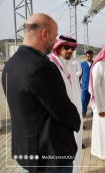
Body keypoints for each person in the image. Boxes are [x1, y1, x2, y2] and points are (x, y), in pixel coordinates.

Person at [1, 13, 81, 173]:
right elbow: (63, 110)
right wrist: (77, 121)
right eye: (55, 36)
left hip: (27, 154)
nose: (55, 41)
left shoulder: (10, 65)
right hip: (50, 156)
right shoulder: (42, 66)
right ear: (45, 34)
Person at [49, 35, 83, 173]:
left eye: (72, 48)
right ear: (58, 47)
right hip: (63, 119)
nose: (70, 50)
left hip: (76, 114)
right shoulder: (52, 65)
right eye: (66, 47)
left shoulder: (70, 65)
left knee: (77, 147)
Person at [81, 50, 94, 117]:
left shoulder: (95, 64)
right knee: (83, 101)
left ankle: (93, 115)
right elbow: (80, 74)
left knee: (93, 101)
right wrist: (78, 83)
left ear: (92, 56)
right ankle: (83, 114)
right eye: (88, 56)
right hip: (85, 87)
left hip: (93, 87)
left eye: (90, 56)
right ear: (86, 56)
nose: (89, 58)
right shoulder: (82, 64)